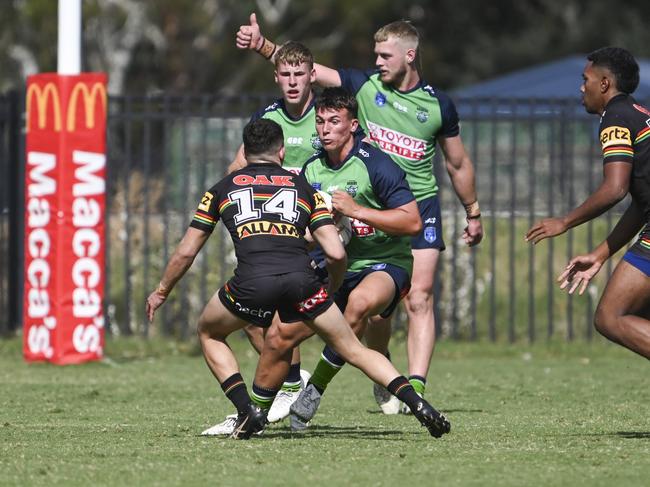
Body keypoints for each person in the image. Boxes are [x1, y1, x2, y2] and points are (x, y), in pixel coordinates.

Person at [237, 14, 483, 414]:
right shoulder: (364, 85)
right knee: (368, 310)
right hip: (362, 202)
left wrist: (472, 211)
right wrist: (264, 46)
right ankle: (375, 367)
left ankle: (413, 387)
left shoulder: (439, 104)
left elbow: (457, 164)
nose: (379, 61)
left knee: (418, 297)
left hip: (415, 204)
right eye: (376, 55)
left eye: (385, 55)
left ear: (410, 55)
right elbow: (304, 70)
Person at [146, 118, 451, 439]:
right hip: (302, 281)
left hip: (252, 282)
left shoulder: (221, 189)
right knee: (352, 349)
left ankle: (245, 410)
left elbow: (185, 252)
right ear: (281, 152)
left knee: (209, 331)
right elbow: (334, 252)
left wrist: (162, 290)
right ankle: (417, 403)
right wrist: (329, 289)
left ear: (245, 152)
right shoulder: (305, 189)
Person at [256, 87, 436, 431]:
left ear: (353, 125)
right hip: (337, 266)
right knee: (281, 332)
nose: (325, 129)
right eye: (320, 121)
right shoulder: (311, 170)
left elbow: (412, 221)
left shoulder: (377, 165)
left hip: (386, 262)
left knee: (358, 305)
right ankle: (256, 411)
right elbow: (306, 232)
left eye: (334, 122)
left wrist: (357, 211)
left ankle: (314, 391)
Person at [205, 41, 321, 435]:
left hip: (323, 227)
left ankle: (297, 391)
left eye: (298, 74)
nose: (291, 82)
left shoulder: (327, 117)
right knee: (258, 316)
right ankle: (290, 387)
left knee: (348, 321)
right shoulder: (269, 117)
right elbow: (238, 167)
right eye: (285, 75)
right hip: (285, 233)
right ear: (277, 77)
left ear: (312, 76)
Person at [526, 47, 650, 359]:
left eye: (586, 80)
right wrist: (599, 255)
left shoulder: (616, 118)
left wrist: (564, 222)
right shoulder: (638, 113)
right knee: (641, 314)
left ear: (605, 83)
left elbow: (615, 188)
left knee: (611, 317)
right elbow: (640, 204)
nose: (582, 87)